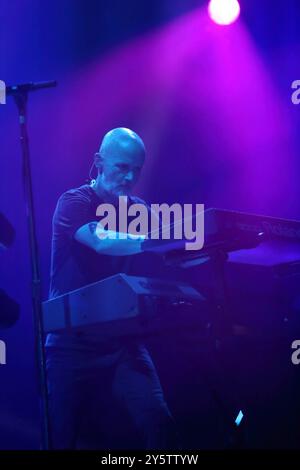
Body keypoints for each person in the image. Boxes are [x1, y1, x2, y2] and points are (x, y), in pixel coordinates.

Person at [45, 127, 178, 449]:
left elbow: (170, 251)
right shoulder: (74, 201)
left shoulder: (139, 211)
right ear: (99, 162)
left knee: (159, 422)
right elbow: (100, 242)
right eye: (122, 167)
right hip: (71, 342)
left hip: (122, 340)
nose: (130, 177)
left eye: (137, 170)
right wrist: (155, 240)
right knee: (62, 437)